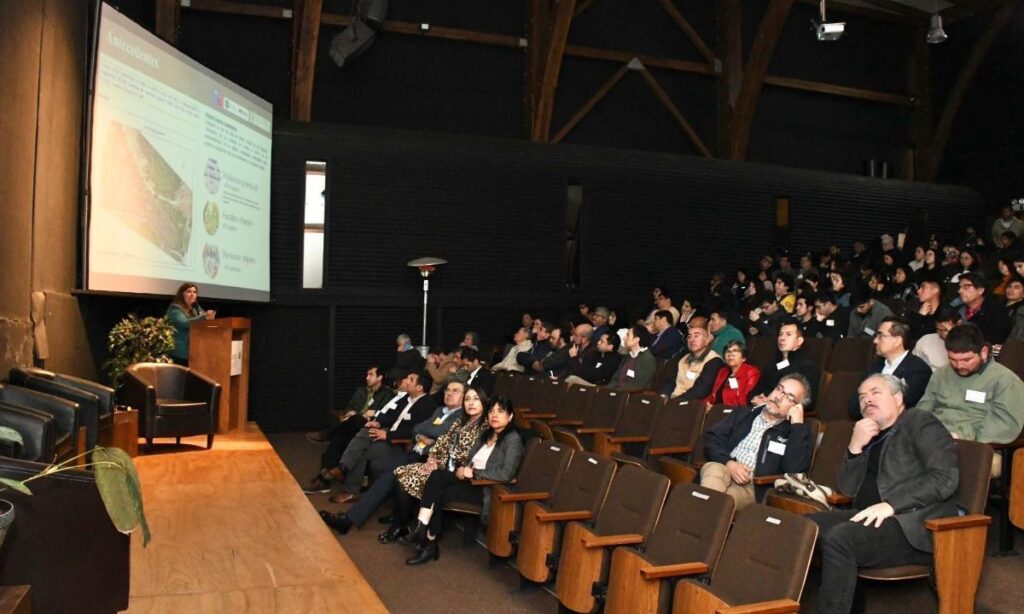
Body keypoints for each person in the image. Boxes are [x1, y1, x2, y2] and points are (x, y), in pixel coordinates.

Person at [810, 374, 958, 614]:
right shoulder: (870, 432)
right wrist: (855, 447)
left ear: (898, 398)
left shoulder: (921, 421)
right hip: (868, 517)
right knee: (805, 527)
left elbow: (945, 478)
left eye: (875, 393)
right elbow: (847, 489)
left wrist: (892, 505)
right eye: (862, 397)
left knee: (840, 538)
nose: (867, 399)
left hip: (910, 524)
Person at [321, 381, 466, 529]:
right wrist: (420, 436)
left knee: (389, 474)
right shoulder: (439, 411)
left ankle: (349, 519)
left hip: (430, 460)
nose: (449, 394)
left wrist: (424, 433)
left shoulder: (461, 417)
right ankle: (385, 509)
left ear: (464, 396)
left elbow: (439, 432)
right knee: (374, 457)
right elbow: (416, 428)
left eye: (455, 391)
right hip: (413, 452)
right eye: (447, 390)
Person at [403, 396, 524, 565]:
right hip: (468, 480)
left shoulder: (513, 439)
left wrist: (473, 473)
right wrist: (462, 469)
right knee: (437, 475)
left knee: (440, 492)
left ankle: (428, 542)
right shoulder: (486, 434)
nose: (494, 415)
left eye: (500, 411)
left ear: (510, 416)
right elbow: (469, 458)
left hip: (484, 488)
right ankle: (422, 527)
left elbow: (506, 474)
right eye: (491, 411)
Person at [372, 385, 491, 543]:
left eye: (476, 399)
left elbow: (466, 456)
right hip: (441, 466)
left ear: (484, 402)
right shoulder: (462, 422)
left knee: (407, 478)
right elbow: (442, 442)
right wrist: (432, 459)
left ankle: (401, 526)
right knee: (400, 472)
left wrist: (438, 463)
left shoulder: (485, 427)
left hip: (457, 473)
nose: (471, 403)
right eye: (468, 399)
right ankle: (401, 525)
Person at [700, 374, 813, 509]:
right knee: (713, 469)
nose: (778, 397)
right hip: (723, 468)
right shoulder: (743, 414)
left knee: (722, 502)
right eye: (779, 389)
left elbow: (793, 470)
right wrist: (729, 463)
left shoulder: (796, 433)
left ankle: (699, 514)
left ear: (797, 407)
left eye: (789, 397)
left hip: (753, 487)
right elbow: (713, 438)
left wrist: (797, 426)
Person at [331, 370, 436, 504]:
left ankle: (346, 478)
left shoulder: (427, 405)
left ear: (419, 387)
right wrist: (378, 422)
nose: (406, 381)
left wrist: (387, 435)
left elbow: (415, 431)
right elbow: (391, 415)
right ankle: (344, 472)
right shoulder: (406, 398)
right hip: (389, 434)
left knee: (362, 450)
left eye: (410, 379)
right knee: (366, 430)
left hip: (399, 444)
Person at [916, 323, 1024, 445]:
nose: (959, 366)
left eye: (966, 360)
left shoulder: (1005, 380)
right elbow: (924, 409)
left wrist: (965, 437)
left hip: (976, 444)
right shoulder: (941, 374)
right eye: (953, 360)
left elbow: (1006, 424)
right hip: (935, 437)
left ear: (983, 352)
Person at [303, 365, 397, 492]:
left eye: (371, 374)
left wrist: (372, 413)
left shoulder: (387, 394)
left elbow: (386, 415)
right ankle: (323, 481)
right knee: (338, 438)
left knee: (357, 419)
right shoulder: (361, 391)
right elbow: (349, 407)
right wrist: (349, 412)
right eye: (367, 374)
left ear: (379, 377)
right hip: (351, 425)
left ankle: (327, 435)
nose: (367, 377)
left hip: (369, 427)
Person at [847, 317, 931, 419]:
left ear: (897, 341)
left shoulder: (918, 370)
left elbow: (903, 407)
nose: (875, 341)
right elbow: (854, 406)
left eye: (880, 336)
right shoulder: (874, 367)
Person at [750, 321, 821, 405]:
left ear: (799, 341)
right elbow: (755, 391)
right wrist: (754, 398)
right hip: (758, 409)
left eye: (788, 334)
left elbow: (809, 402)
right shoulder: (771, 365)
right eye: (780, 334)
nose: (782, 338)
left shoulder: (808, 368)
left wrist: (771, 402)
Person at [661, 323, 724, 400]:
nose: (692, 340)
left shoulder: (714, 360)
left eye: (696, 336)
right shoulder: (684, 359)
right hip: (674, 399)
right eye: (689, 336)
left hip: (692, 403)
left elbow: (702, 390)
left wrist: (677, 400)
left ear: (707, 341)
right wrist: (664, 395)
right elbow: (673, 381)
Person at [166, 282, 215, 365]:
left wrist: (208, 318)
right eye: (189, 292)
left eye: (194, 292)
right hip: (179, 353)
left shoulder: (196, 309)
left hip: (194, 352)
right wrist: (204, 317)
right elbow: (184, 323)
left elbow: (203, 318)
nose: (192, 294)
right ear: (182, 294)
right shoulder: (174, 309)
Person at [707, 341, 761, 406]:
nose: (730, 354)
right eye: (728, 351)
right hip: (716, 409)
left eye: (735, 351)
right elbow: (713, 395)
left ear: (744, 358)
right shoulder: (723, 371)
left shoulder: (751, 373)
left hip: (733, 411)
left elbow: (744, 401)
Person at [607, 325, 655, 391]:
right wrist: (607, 390)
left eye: (628, 335)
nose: (624, 338)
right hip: (619, 392)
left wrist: (617, 391)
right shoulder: (628, 356)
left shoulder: (648, 359)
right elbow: (616, 378)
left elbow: (638, 385)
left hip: (633, 397)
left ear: (636, 339)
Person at [913, 307, 959, 371]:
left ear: (957, 324)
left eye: (947, 330)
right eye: (939, 330)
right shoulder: (926, 340)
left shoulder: (966, 342)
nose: (943, 334)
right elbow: (913, 364)